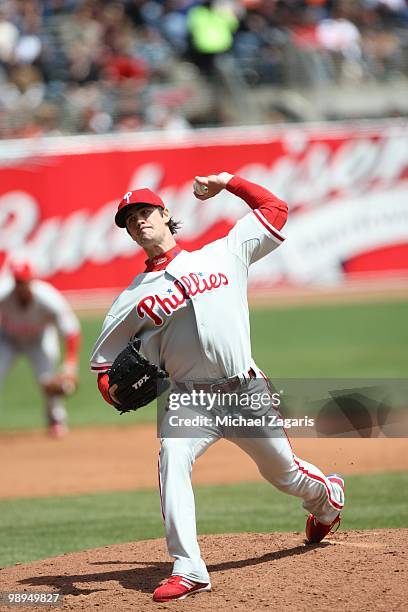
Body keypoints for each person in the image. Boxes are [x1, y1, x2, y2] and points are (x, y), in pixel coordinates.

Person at [90, 173, 345, 602]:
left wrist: (228, 182)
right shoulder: (130, 300)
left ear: (165, 214)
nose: (138, 222)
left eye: (145, 212)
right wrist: (115, 390)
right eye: (129, 219)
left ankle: (328, 499)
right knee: (172, 454)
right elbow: (103, 369)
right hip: (190, 400)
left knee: (284, 474)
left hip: (245, 391)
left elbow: (275, 210)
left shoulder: (224, 253)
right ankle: (188, 568)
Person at [0, 261, 81, 438]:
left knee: (49, 381)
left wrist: (70, 367)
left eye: (23, 281)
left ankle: (56, 420)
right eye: (17, 281)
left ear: (31, 280)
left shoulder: (48, 298)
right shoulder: (3, 292)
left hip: (39, 340)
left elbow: (71, 331)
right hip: (7, 339)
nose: (20, 286)